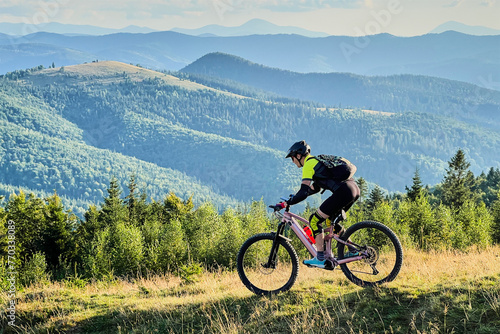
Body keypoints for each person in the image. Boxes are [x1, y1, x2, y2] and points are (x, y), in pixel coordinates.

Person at [277, 140, 360, 268]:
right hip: (353, 189)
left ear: (298, 156)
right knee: (329, 222)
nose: (292, 161)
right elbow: (315, 188)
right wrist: (294, 197)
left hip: (343, 192)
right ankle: (353, 249)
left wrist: (286, 203)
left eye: (292, 158)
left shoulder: (309, 165)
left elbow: (304, 192)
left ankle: (320, 258)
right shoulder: (316, 162)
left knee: (314, 220)